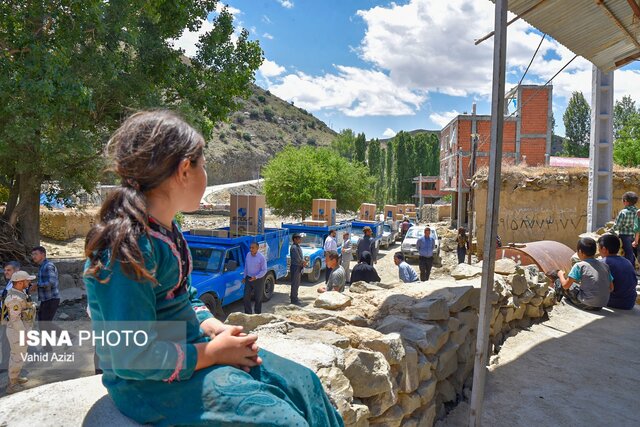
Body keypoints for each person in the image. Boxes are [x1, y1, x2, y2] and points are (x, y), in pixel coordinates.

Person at [83, 111, 342, 426]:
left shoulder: (166, 230)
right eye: (203, 165)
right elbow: (130, 356)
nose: (205, 174)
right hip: (148, 384)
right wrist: (215, 354)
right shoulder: (126, 248)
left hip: (193, 348)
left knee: (302, 382)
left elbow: (185, 296)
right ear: (184, 170)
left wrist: (211, 327)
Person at [2, 271, 37, 394]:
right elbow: (15, 319)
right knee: (16, 357)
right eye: (27, 280)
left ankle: (15, 378)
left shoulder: (21, 293)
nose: (29, 282)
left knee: (20, 356)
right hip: (17, 332)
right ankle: (12, 385)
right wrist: (25, 334)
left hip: (22, 330)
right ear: (21, 282)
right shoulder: (14, 299)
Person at [555, 237, 613, 311]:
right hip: (601, 305)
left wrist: (560, 275)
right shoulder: (605, 266)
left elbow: (566, 286)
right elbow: (611, 288)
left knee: (559, 282)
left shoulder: (579, 265)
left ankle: (557, 303)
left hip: (586, 304)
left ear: (580, 251)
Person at [598, 234, 637, 310]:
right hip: (630, 302)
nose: (598, 251)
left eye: (599, 248)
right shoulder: (627, 261)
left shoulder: (603, 263)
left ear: (604, 249)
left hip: (615, 302)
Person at [32, 245, 60, 351]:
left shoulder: (48, 266)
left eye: (35, 254)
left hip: (52, 299)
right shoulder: (42, 266)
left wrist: (37, 285)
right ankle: (47, 347)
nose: (33, 256)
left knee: (45, 324)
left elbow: (51, 282)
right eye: (32, 254)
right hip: (46, 299)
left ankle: (70, 337)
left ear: (43, 254)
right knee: (43, 323)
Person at [1, 261, 22, 373]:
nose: (6, 272)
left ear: (16, 271)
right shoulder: (11, 283)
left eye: (9, 270)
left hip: (12, 318)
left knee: (7, 341)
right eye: (5, 270)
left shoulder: (17, 284)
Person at [612, 191, 638, 266]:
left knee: (628, 252)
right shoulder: (637, 211)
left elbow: (617, 225)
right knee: (634, 252)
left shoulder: (623, 212)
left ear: (626, 201)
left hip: (625, 235)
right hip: (636, 236)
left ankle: (630, 269)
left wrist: (611, 231)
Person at [243, 242, 267, 315]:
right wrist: (244, 277)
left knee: (258, 297)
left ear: (257, 248)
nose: (251, 249)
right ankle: (248, 313)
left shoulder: (261, 257)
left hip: (258, 279)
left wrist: (256, 277)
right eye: (250, 247)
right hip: (248, 278)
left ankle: (257, 314)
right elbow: (246, 267)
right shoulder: (248, 255)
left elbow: (264, 270)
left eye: (253, 248)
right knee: (246, 297)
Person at [289, 234, 306, 305]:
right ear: (295, 239)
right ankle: (294, 299)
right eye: (299, 238)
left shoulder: (297, 246)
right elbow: (297, 258)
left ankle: (295, 297)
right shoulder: (294, 248)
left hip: (298, 266)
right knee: (295, 284)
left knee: (297, 283)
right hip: (295, 267)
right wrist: (303, 262)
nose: (300, 240)